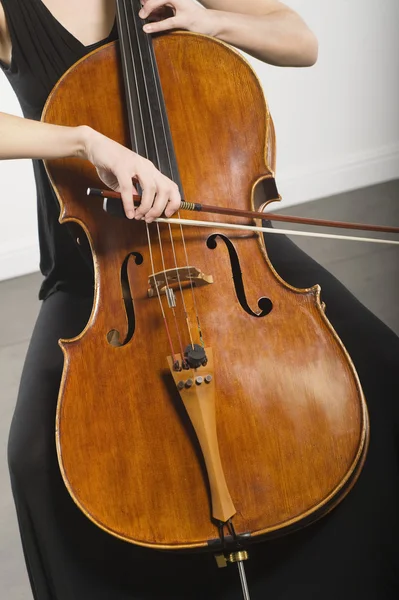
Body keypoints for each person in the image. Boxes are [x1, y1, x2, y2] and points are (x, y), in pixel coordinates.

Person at [0, 1, 398, 599]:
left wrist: (213, 23)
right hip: (97, 271)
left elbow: (301, 40)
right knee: (33, 457)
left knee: (382, 368)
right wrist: (84, 141)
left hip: (231, 248)